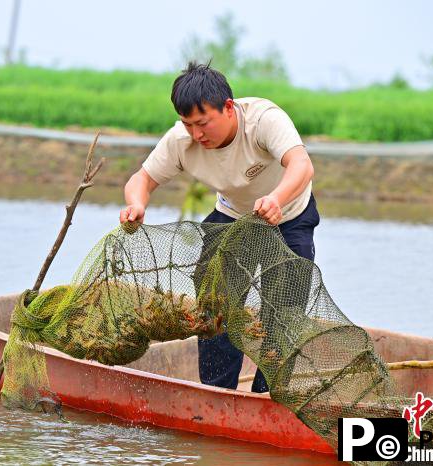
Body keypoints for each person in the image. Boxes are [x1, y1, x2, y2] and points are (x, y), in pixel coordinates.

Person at [119, 62, 320, 393]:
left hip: (288, 217)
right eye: (188, 124)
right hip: (230, 217)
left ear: (228, 107)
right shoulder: (180, 141)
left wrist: (276, 199)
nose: (197, 134)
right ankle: (217, 393)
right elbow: (142, 179)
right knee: (214, 306)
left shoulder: (263, 120)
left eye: (203, 123)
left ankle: (265, 396)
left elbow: (302, 165)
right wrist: (136, 204)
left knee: (284, 313)